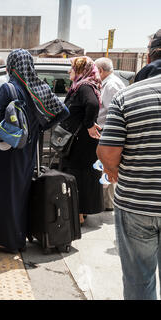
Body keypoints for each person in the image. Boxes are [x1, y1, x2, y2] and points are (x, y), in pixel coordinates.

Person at [0, 49, 68, 253]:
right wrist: (38, 129)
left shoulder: (8, 88)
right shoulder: (39, 87)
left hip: (7, 151)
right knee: (20, 194)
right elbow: (63, 111)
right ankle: (19, 239)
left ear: (11, 66)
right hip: (28, 151)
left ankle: (4, 240)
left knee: (2, 195)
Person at [97, 29, 161, 300]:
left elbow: (108, 153)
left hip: (136, 203)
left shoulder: (129, 95)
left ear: (149, 56)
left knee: (138, 280)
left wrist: (115, 171)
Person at [60, 56, 104, 225]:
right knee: (79, 175)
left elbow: (92, 104)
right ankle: (79, 211)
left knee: (79, 175)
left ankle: (79, 213)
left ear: (80, 70)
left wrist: (89, 124)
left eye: (72, 68)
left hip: (81, 143)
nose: (69, 71)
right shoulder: (80, 85)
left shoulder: (84, 86)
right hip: (79, 141)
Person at [94, 57, 125, 211]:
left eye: (95, 70)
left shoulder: (111, 85)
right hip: (105, 131)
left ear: (100, 71)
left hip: (107, 131)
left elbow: (114, 112)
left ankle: (109, 204)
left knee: (107, 166)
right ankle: (107, 203)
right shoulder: (109, 83)